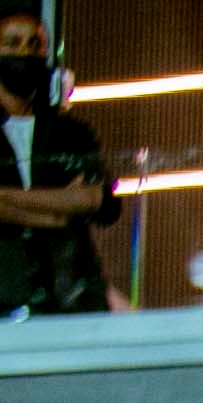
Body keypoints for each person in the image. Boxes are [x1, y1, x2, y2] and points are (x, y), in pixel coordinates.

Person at [0, 10, 116, 317]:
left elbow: (98, 200)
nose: (25, 52)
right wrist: (61, 206)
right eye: (12, 43)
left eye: (34, 44)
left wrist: (6, 199)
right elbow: (72, 206)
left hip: (72, 301)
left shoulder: (72, 133)